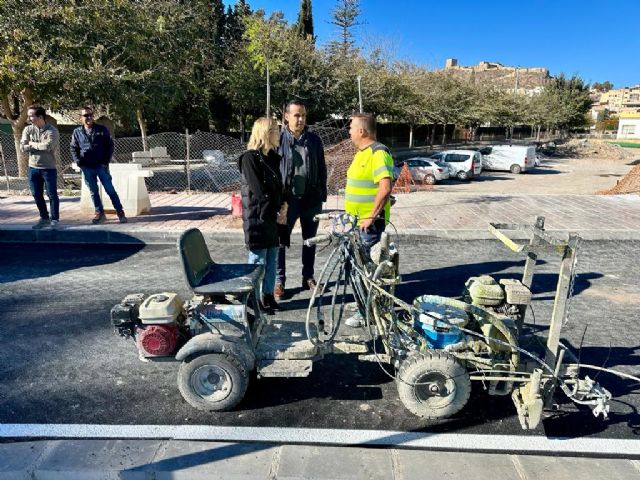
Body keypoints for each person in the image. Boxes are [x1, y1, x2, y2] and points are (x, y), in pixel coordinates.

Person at [344, 112, 394, 327]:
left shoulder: (378, 153)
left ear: (362, 131)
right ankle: (362, 303)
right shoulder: (361, 153)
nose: (349, 131)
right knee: (355, 268)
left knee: (367, 270)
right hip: (355, 223)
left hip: (369, 226)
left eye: (351, 128)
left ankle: (368, 312)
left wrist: (372, 215)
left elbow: (385, 186)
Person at [275, 100, 327, 299]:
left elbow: (322, 168)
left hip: (311, 200)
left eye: (303, 115)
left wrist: (322, 194)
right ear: (286, 116)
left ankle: (308, 277)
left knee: (310, 241)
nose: (301, 119)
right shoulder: (278, 140)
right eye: (297, 115)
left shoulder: (314, 140)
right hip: (286, 201)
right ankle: (279, 281)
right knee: (280, 242)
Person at [238, 117, 286, 314]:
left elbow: (279, 188)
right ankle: (253, 300)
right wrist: (278, 208)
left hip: (272, 217)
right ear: (265, 133)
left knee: (272, 259)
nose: (279, 134)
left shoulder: (273, 158)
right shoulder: (249, 158)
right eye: (275, 130)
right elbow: (259, 191)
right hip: (258, 218)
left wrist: (285, 205)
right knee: (258, 262)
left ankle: (267, 296)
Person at [70, 106, 127, 224]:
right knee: (93, 191)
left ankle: (120, 211)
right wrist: (79, 161)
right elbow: (73, 147)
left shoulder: (102, 129)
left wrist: (105, 162)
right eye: (86, 115)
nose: (89, 117)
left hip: (101, 166)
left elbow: (110, 146)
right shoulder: (77, 132)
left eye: (91, 115)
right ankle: (99, 213)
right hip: (87, 167)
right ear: (80, 118)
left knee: (109, 189)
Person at [20, 105, 60, 229]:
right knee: (36, 194)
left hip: (49, 169)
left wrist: (31, 144)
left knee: (52, 194)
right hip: (33, 168)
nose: (29, 118)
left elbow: (48, 147)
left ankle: (54, 220)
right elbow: (22, 148)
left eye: (31, 115)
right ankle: (44, 218)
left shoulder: (51, 130)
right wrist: (36, 145)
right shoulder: (28, 130)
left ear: (40, 117)